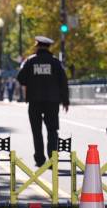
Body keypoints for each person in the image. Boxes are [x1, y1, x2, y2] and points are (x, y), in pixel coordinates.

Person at [17, 35, 70, 167]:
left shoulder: (30, 61)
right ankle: (52, 159)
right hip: (52, 101)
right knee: (52, 130)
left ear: (38, 46)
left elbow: (21, 78)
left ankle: (39, 159)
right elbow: (63, 82)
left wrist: (32, 80)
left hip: (34, 101)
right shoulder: (55, 62)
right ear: (48, 47)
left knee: (37, 131)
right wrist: (65, 100)